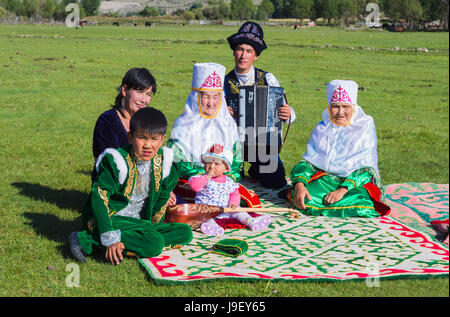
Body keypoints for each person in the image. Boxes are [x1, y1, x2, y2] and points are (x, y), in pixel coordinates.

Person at [69, 107, 193, 265]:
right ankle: (85, 239)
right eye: (142, 138)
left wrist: (152, 226)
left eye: (154, 139)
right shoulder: (116, 161)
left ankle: (130, 239)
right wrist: (110, 237)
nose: (148, 145)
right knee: (154, 243)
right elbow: (99, 198)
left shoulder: (166, 164)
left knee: (184, 232)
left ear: (162, 140)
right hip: (112, 217)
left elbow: (161, 202)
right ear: (130, 137)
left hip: (140, 222)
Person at [290, 80, 390, 218]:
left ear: (353, 107)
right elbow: (308, 164)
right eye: (336, 107)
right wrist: (299, 185)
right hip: (326, 181)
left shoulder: (364, 126)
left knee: (362, 203)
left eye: (346, 107)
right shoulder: (322, 128)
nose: (341, 112)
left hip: (354, 184)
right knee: (303, 196)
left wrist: (342, 190)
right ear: (329, 108)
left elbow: (367, 170)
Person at [167, 62, 261, 208]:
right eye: (206, 97)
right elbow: (176, 165)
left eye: (216, 97)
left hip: (222, 180)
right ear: (197, 97)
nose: (211, 103)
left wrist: (224, 177)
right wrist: (207, 175)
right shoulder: (182, 125)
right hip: (192, 182)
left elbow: (237, 163)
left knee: (247, 199)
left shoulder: (227, 124)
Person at [224, 21, 297, 189]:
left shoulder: (268, 79)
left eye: (249, 51)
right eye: (240, 49)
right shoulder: (224, 81)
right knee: (231, 182)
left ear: (255, 55)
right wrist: (225, 115)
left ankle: (258, 168)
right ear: (234, 52)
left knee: (276, 182)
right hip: (233, 143)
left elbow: (287, 114)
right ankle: (244, 168)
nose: (243, 55)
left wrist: (288, 113)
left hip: (263, 143)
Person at [189, 144, 271, 236]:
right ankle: (211, 226)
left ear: (225, 169)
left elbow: (234, 194)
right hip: (206, 209)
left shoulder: (228, 181)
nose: (211, 166)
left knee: (239, 211)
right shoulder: (200, 177)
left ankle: (251, 221)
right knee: (204, 215)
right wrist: (207, 177)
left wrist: (234, 203)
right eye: (208, 162)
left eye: (217, 164)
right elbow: (194, 186)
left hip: (226, 209)